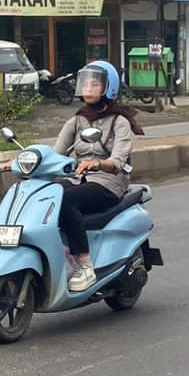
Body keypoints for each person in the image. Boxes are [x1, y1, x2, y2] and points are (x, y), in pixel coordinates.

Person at [53, 60, 142, 292]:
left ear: (108, 87)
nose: (88, 89)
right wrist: (23, 161)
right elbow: (55, 154)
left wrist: (99, 163)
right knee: (48, 196)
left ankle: (84, 265)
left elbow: (118, 161)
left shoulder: (119, 121)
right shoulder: (77, 120)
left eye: (95, 84)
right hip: (78, 179)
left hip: (108, 183)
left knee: (67, 200)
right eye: (86, 84)